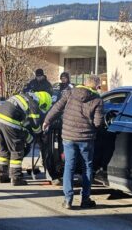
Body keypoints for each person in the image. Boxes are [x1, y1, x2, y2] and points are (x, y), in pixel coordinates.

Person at [43, 75, 105, 210]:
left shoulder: (70, 93)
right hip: (86, 139)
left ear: (84, 83)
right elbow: (98, 123)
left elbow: (57, 108)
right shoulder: (97, 100)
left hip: (68, 137)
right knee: (87, 167)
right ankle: (85, 199)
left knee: (69, 167)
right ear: (96, 86)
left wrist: (47, 120)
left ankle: (68, 200)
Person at [0, 90, 52, 185]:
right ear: (43, 102)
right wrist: (40, 134)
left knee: (3, 149)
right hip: (10, 121)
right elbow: (35, 124)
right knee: (16, 148)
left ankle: (2, 175)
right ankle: (16, 178)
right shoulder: (33, 104)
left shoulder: (24, 96)